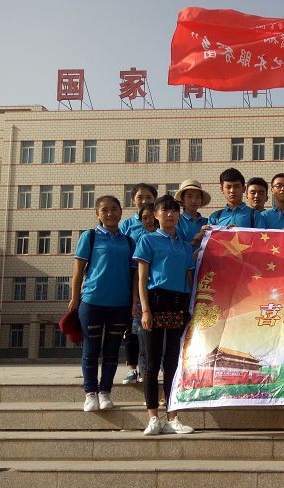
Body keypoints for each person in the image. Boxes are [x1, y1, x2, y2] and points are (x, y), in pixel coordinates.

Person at [134, 195, 196, 435]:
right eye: (165, 210)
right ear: (155, 215)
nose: (170, 214)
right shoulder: (147, 240)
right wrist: (145, 309)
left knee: (172, 363)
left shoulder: (184, 246)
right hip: (155, 302)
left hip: (179, 304)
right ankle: (153, 418)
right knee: (151, 364)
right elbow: (142, 279)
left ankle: (173, 417)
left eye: (174, 211)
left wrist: (191, 308)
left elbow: (190, 279)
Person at [69, 195, 134, 411]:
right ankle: (90, 393)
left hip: (120, 304)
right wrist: (74, 298)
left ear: (121, 212)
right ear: (97, 214)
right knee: (91, 350)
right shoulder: (89, 237)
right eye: (104, 210)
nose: (110, 213)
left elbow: (134, 275)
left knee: (112, 351)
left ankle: (105, 392)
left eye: (114, 209)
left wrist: (134, 301)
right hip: (92, 302)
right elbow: (78, 271)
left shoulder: (128, 241)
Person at [119, 184, 157, 384]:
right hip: (132, 280)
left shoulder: (161, 226)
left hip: (155, 285)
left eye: (149, 197)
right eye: (140, 197)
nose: (144, 201)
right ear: (133, 199)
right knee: (132, 328)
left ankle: (148, 368)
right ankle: (132, 368)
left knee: (150, 330)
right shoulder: (127, 225)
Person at [174, 179, 210, 246]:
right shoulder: (176, 221)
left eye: (197, 197)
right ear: (182, 199)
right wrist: (194, 242)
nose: (193, 201)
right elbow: (176, 246)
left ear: (201, 199)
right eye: (189, 196)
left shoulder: (207, 222)